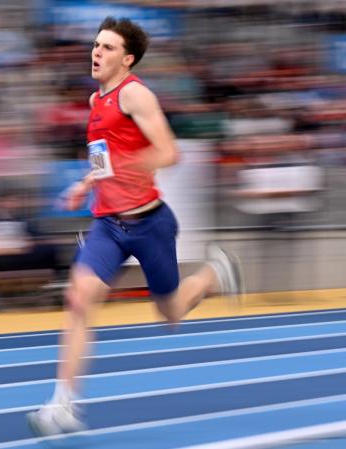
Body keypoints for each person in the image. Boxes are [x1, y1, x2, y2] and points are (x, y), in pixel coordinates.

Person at [27, 17, 241, 437]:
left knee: (171, 313)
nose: (96, 52)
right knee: (78, 298)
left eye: (107, 48)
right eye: (95, 44)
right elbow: (102, 156)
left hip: (150, 223)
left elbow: (169, 152)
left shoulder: (136, 95)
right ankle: (63, 404)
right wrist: (85, 183)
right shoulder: (95, 101)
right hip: (108, 223)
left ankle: (214, 274)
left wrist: (128, 168)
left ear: (126, 59)